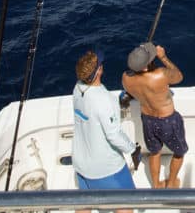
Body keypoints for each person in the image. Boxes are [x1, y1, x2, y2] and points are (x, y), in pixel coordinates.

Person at [72, 49, 139, 212]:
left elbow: (95, 109)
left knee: (84, 205)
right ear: (98, 71)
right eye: (100, 64)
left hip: (81, 165)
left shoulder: (77, 88)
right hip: (106, 168)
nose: (102, 65)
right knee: (125, 204)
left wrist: (116, 102)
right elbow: (113, 135)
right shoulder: (104, 101)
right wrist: (132, 149)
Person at [121, 42, 187, 188]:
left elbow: (133, 86)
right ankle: (170, 183)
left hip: (148, 120)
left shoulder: (126, 78)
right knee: (180, 152)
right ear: (145, 66)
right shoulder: (160, 75)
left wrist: (143, 57)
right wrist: (163, 57)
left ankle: (156, 185)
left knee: (154, 152)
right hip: (169, 121)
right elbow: (179, 76)